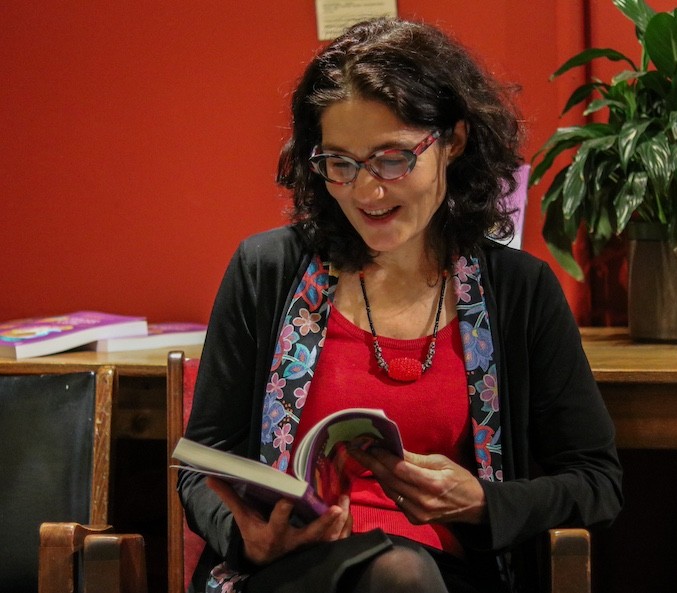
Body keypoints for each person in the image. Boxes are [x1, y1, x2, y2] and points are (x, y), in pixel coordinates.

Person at [179, 17, 622, 593]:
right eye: (340, 162)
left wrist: (483, 502)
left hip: (450, 575)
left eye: (392, 158)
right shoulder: (268, 271)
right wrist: (247, 537)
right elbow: (202, 462)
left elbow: (598, 483)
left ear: (453, 141)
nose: (367, 192)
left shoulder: (519, 290)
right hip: (291, 575)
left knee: (403, 573)